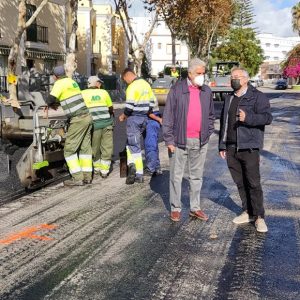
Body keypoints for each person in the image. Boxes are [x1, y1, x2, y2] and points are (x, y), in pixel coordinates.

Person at [219, 66, 272, 233]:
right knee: (240, 183)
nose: (233, 80)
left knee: (253, 183)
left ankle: (259, 217)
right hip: (231, 146)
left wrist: (248, 118)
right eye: (231, 77)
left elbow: (267, 118)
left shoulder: (257, 97)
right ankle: (248, 211)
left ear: (246, 79)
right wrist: (222, 144)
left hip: (249, 147)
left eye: (236, 77)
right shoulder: (229, 98)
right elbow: (224, 123)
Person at [163, 58, 215, 222]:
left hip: (200, 141)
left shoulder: (206, 91)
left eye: (203, 73)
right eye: (199, 73)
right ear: (190, 73)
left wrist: (207, 133)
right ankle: (175, 208)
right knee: (176, 177)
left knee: (197, 177)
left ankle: (195, 208)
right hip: (179, 141)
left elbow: (211, 116)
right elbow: (168, 117)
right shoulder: (177, 90)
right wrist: (169, 140)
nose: (202, 76)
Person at [46, 65, 93, 186]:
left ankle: (77, 178)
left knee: (69, 150)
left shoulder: (59, 83)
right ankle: (87, 176)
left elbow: (50, 99)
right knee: (85, 148)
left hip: (77, 119)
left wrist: (51, 104)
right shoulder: (72, 82)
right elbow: (68, 96)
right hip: (87, 116)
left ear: (55, 76)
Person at [119, 68, 155, 184]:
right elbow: (152, 103)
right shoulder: (146, 84)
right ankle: (132, 166)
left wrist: (123, 116)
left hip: (134, 119)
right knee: (131, 144)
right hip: (144, 118)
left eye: (125, 80)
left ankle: (137, 173)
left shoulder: (132, 87)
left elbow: (129, 107)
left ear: (127, 76)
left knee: (134, 145)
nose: (126, 82)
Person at [82, 76, 114, 178]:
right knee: (107, 147)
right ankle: (104, 171)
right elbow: (110, 108)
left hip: (94, 125)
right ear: (96, 84)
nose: (100, 84)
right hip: (107, 124)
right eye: (99, 83)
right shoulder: (104, 92)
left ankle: (97, 168)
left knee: (94, 147)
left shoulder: (82, 94)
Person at [143, 96, 162, 176]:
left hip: (151, 120)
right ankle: (156, 167)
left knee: (150, 145)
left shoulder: (146, 96)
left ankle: (151, 168)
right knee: (154, 145)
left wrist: (158, 119)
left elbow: (148, 112)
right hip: (152, 120)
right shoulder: (150, 94)